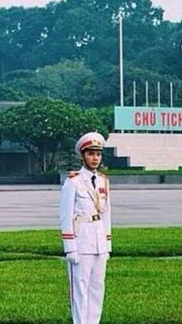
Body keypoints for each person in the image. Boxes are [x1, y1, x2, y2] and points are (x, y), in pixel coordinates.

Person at [60, 132, 112, 324]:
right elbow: (65, 216)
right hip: (81, 242)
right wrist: (70, 247)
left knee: (97, 288)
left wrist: (107, 244)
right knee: (80, 289)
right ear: (82, 156)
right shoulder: (73, 181)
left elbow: (106, 214)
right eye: (90, 154)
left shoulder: (103, 181)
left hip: (99, 241)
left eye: (98, 154)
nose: (95, 158)